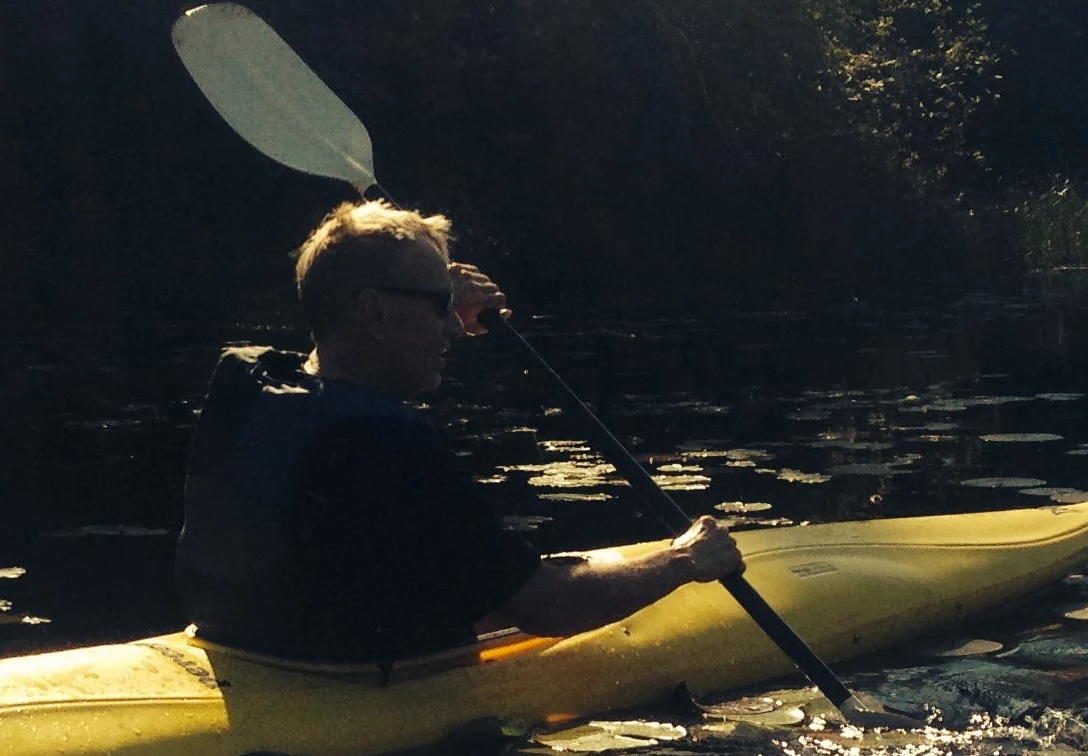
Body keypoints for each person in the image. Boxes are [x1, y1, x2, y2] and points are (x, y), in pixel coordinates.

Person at [177, 200, 742, 665]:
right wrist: (684, 561)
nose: (453, 327)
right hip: (339, 678)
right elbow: (552, 607)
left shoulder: (249, 385)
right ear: (375, 314)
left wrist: (423, 286)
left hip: (242, 645)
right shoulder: (390, 446)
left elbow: (339, 333)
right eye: (440, 307)